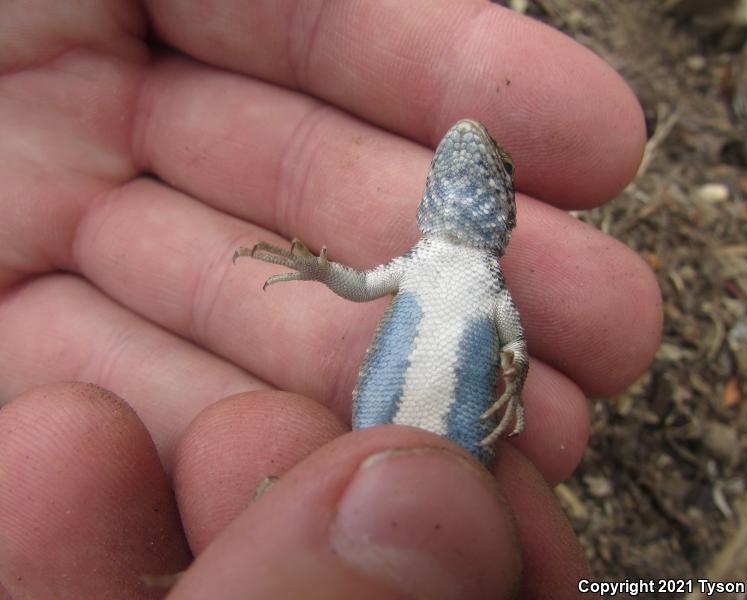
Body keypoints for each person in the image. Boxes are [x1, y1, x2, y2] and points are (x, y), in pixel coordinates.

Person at [0, 1, 661, 598]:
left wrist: (513, 375)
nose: (472, 144)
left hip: (448, 451)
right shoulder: (420, 259)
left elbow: (514, 345)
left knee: (344, 496)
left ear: (505, 210)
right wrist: (320, 272)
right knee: (290, 489)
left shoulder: (487, 279)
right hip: (390, 447)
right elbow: (362, 285)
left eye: (501, 168)